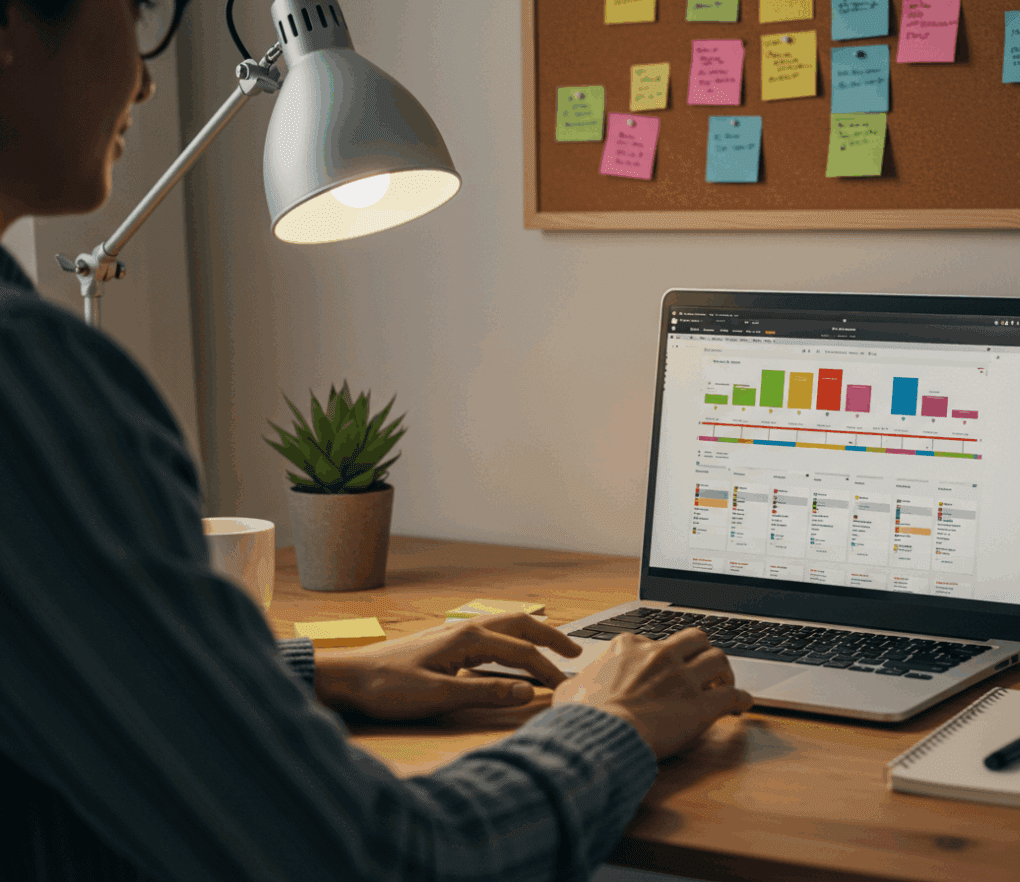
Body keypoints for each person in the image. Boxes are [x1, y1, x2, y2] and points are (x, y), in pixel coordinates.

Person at [0, 1, 754, 879]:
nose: (147, 74)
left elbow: (77, 671)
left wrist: (328, 671)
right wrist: (609, 720)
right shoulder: (28, 382)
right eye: (133, 19)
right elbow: (378, 858)